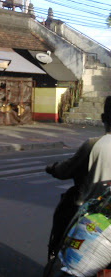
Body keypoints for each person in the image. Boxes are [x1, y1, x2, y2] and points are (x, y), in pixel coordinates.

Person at [46, 95, 111, 258]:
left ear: (103, 118)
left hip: (89, 212)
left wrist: (52, 169)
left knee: (63, 220)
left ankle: (57, 257)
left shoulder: (93, 144)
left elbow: (65, 170)